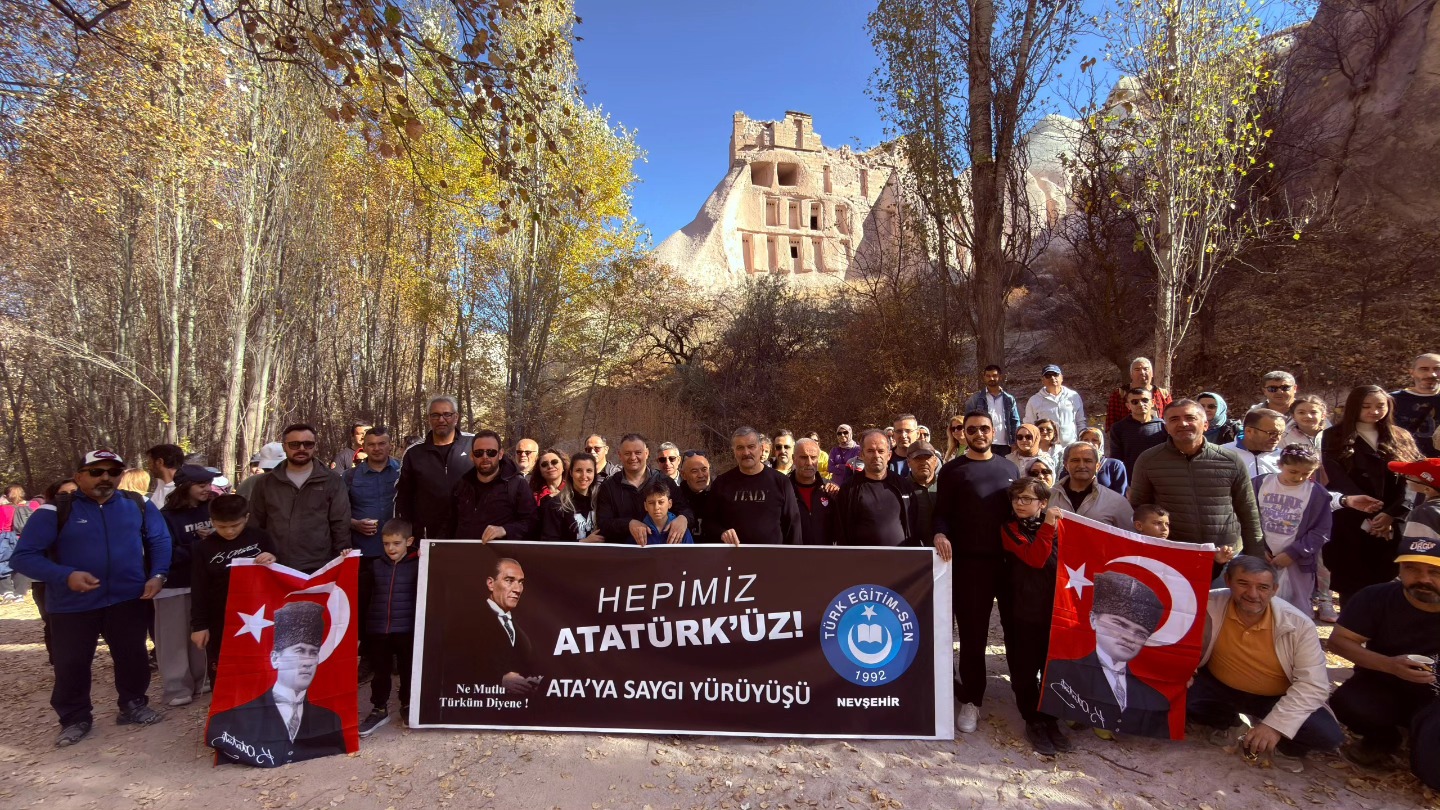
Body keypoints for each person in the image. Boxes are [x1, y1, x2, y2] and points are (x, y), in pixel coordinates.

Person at [12, 451, 171, 747]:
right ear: (79, 476)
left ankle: (133, 704)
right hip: (72, 605)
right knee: (71, 663)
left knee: (133, 655)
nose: (105, 477)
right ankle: (75, 718)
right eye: (96, 472)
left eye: (113, 471)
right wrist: (65, 575)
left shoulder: (138, 504)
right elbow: (23, 557)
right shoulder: (53, 511)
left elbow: (160, 540)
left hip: (127, 599)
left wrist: (158, 574)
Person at [1326, 492, 1440, 786]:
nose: (1422, 578)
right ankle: (1385, 738)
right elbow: (1339, 641)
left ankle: (1421, 738)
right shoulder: (1377, 597)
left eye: (1434, 571)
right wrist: (1389, 665)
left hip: (1436, 696)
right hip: (1384, 684)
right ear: (1399, 568)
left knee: (1431, 773)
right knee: (1348, 702)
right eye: (1412, 568)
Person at [1188, 555, 1343, 771]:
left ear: (1274, 589)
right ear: (1228, 582)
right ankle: (1228, 723)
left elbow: (1313, 685)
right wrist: (1186, 669)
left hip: (1275, 696)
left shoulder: (1298, 624)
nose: (1252, 594)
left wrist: (1275, 726)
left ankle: (1286, 748)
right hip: (1220, 686)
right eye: (1243, 584)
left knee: (1326, 734)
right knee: (1177, 693)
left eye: (1262, 587)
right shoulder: (1207, 604)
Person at [934, 411, 1017, 733]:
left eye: (985, 429)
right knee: (972, 637)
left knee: (1016, 633)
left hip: (1008, 565)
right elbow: (942, 514)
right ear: (962, 434)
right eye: (972, 430)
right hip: (969, 565)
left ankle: (1026, 694)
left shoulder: (1009, 467)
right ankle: (972, 700)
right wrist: (940, 534)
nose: (979, 434)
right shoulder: (953, 471)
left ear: (993, 431)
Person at [205, 601, 346, 765]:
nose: (307, 661)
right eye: (299, 651)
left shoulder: (330, 720)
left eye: (313, 652)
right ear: (275, 658)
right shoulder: (234, 719)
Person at [1321, 385, 1422, 604]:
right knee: (1351, 583)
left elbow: (1411, 480)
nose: (1373, 411)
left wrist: (1391, 514)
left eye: (1380, 406)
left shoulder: (1400, 436)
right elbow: (1336, 475)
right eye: (1366, 406)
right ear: (1354, 407)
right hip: (1350, 516)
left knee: (1386, 583)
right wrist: (1366, 507)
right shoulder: (1334, 435)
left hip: (1392, 519)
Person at [1040, 571, 1171, 738]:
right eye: (1120, 624)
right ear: (1094, 619)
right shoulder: (1060, 672)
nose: (1129, 637)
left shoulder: (1155, 700)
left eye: (1140, 634)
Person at [1129, 399, 1264, 559]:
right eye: (1174, 419)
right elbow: (1140, 508)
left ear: (1205, 425)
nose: (1183, 424)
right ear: (1166, 428)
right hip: (1174, 554)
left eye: (1190, 418)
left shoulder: (1230, 459)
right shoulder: (1148, 460)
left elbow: (1247, 509)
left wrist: (1256, 554)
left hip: (1225, 554)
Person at [1000, 477, 1070, 755]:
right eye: (1016, 498)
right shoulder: (1009, 528)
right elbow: (1035, 557)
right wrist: (1049, 525)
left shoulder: (1058, 527)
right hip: (1023, 610)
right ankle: (1033, 720)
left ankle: (1051, 718)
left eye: (1027, 499)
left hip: (1053, 610)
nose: (1020, 503)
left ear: (1043, 503)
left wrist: (1052, 525)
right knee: (1025, 667)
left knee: (1050, 666)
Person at [189, 494, 276, 685]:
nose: (229, 531)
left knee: (260, 662)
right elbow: (199, 588)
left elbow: (281, 573)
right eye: (221, 526)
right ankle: (226, 705)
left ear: (246, 518)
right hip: (220, 617)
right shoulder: (204, 548)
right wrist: (199, 625)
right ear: (212, 521)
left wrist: (272, 557)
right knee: (222, 665)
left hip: (259, 613)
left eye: (234, 525)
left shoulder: (261, 538)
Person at [250, 424, 352, 573]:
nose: (302, 449)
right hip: (274, 564)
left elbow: (341, 524)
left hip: (319, 567)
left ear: (315, 446)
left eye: (308, 444)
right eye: (294, 444)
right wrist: (260, 553)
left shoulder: (332, 481)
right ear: (284, 447)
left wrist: (340, 561)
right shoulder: (265, 483)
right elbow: (255, 524)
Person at [158, 465, 219, 706]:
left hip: (205, 581)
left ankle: (201, 677)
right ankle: (176, 686)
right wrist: (197, 543)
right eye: (201, 485)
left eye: (208, 484)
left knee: (201, 632)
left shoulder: (212, 507)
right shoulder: (166, 516)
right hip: (175, 582)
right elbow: (164, 551)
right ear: (185, 487)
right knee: (173, 637)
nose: (207, 489)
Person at [344, 427, 399, 682]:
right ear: (363, 446)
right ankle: (367, 657)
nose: (377, 448)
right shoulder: (350, 476)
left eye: (382, 443)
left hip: (397, 553)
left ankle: (396, 657)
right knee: (366, 607)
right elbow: (338, 512)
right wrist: (354, 524)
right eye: (372, 444)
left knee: (395, 605)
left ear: (390, 445)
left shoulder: (402, 472)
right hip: (364, 552)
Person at [1252, 445, 1333, 612]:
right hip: (1262, 556)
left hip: (1298, 561)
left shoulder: (1316, 493)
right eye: (1293, 472)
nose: (1299, 478)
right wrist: (1258, 547)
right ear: (1280, 464)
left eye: (1306, 473)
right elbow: (1246, 517)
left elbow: (1322, 530)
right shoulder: (1260, 484)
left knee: (1297, 607)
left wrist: (1293, 553)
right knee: (1258, 601)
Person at [359, 519, 419, 737]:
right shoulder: (374, 566)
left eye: (396, 543)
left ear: (409, 541)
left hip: (406, 630)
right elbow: (359, 592)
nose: (391, 548)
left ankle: (407, 706)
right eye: (386, 544)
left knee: (407, 670)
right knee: (380, 673)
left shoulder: (418, 564)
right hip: (378, 630)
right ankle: (379, 709)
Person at [396, 396, 473, 541]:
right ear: (429, 418)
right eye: (435, 415)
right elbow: (404, 498)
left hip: (468, 533)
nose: (441, 420)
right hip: (427, 536)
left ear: (456, 417)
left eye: (447, 414)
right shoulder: (414, 453)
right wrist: (405, 534)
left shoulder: (473, 445)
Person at [594, 433, 693, 545]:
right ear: (620, 455)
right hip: (624, 554)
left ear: (646, 453)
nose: (633, 457)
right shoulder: (609, 487)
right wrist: (628, 524)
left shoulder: (665, 481)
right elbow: (603, 523)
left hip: (662, 552)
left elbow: (686, 510)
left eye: (638, 453)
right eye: (627, 453)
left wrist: (683, 519)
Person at [709, 427, 799, 546]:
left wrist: (794, 558)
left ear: (761, 449)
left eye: (751, 446)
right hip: (733, 559)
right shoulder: (721, 483)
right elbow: (708, 522)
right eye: (740, 448)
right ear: (734, 451)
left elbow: (793, 525)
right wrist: (721, 533)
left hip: (773, 559)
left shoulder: (781, 482)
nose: (746, 453)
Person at [832, 429, 918, 547]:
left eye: (881, 451)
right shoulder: (849, 488)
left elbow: (914, 522)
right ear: (861, 455)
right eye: (870, 451)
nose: (876, 456)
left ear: (889, 455)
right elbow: (840, 529)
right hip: (862, 561)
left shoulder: (903, 486)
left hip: (899, 561)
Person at [447, 430, 537, 541]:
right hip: (465, 554)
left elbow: (532, 523)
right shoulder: (461, 485)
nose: (485, 457)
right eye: (479, 453)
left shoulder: (517, 484)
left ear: (500, 454)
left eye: (491, 452)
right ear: (472, 456)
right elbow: (449, 524)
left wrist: (505, 530)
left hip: (500, 555)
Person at [471, 557, 541, 695]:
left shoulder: (521, 628)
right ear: (491, 583)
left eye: (521, 582)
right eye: (509, 580)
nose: (517, 589)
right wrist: (499, 681)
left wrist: (530, 681)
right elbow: (454, 667)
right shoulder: (468, 619)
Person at [1048, 442, 1134, 528]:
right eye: (1075, 460)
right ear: (1066, 465)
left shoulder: (1117, 502)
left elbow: (1131, 536)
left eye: (1088, 461)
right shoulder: (1049, 497)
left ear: (1097, 466)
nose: (1081, 465)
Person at [539, 452, 603, 542]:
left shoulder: (602, 500)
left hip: (599, 554)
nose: (584, 476)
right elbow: (549, 543)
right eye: (578, 470)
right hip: (569, 556)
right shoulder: (556, 504)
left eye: (589, 471)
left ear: (594, 473)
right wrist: (583, 542)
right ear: (571, 473)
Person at [1108, 387, 1167, 478]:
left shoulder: (1163, 427)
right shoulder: (1118, 428)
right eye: (1135, 402)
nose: (1140, 404)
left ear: (1152, 402)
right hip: (1131, 480)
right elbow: (1116, 459)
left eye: (1145, 400)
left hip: (1160, 478)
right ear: (1128, 406)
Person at [1391, 353, 1440, 457]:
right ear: (1412, 372)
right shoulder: (1392, 400)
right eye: (1424, 369)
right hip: (1406, 464)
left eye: (1437, 369)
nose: (1432, 374)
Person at [966, 365, 1022, 457]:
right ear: (984, 377)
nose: (991, 378)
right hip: (983, 442)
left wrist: (1015, 443)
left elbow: (1015, 422)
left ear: (1000, 377)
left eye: (994, 375)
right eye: (988, 376)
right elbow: (968, 421)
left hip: (1005, 445)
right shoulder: (976, 398)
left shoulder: (1009, 399)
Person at [1104, 357, 1172, 432]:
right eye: (1137, 370)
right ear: (1131, 374)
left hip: (1159, 440)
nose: (1142, 372)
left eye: (1146, 369)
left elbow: (1171, 420)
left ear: (1152, 373)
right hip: (1129, 440)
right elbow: (1111, 426)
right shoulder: (1120, 395)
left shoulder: (1163, 395)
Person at [1025, 365, 1085, 446]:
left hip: (1070, 446)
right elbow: (1029, 425)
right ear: (1042, 380)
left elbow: (1080, 421)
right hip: (1046, 449)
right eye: (1048, 375)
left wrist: (1082, 442)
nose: (1052, 378)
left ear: (1061, 377)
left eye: (1055, 374)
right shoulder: (1034, 400)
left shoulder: (1073, 396)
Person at [790, 438, 833, 546]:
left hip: (824, 558)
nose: (809, 462)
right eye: (803, 457)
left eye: (813, 457)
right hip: (791, 557)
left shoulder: (830, 490)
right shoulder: (783, 489)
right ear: (793, 459)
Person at [1225, 408, 1285, 478]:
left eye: (1281, 433)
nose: (1278, 438)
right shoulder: (1221, 454)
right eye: (1272, 433)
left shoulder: (1285, 457)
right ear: (1249, 431)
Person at [640, 479, 695, 545]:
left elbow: (691, 554)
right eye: (651, 503)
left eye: (661, 502)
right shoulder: (639, 531)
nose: (656, 507)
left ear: (670, 503)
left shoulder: (681, 530)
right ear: (645, 506)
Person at [906, 441, 941, 544]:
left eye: (928, 457)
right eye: (917, 458)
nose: (923, 462)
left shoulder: (947, 485)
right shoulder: (900, 488)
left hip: (946, 552)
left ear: (935, 460)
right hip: (913, 552)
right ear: (908, 462)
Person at [1078, 426, 1128, 495]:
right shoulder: (1073, 464)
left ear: (1100, 443)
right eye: (1085, 440)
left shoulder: (1115, 465)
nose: (1089, 443)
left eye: (1094, 440)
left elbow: (1121, 495)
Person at [678, 451, 712, 543]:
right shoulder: (675, 499)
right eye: (694, 471)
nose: (701, 475)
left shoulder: (718, 495)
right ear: (683, 475)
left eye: (704, 469)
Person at [146, 443, 185, 509]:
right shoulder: (160, 483)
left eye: (149, 462)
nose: (148, 467)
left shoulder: (183, 490)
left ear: (159, 462)